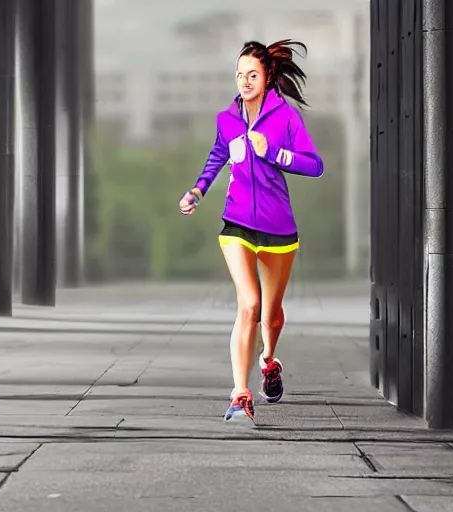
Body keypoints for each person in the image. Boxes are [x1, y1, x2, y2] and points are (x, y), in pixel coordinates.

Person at [179, 39, 324, 424]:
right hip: (237, 224)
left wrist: (273, 152)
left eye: (252, 75)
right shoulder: (226, 119)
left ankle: (269, 360)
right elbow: (217, 156)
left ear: (268, 77)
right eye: (240, 74)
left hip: (279, 228)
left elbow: (315, 165)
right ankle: (240, 396)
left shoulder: (286, 117)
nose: (244, 81)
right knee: (249, 305)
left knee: (271, 315)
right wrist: (197, 190)